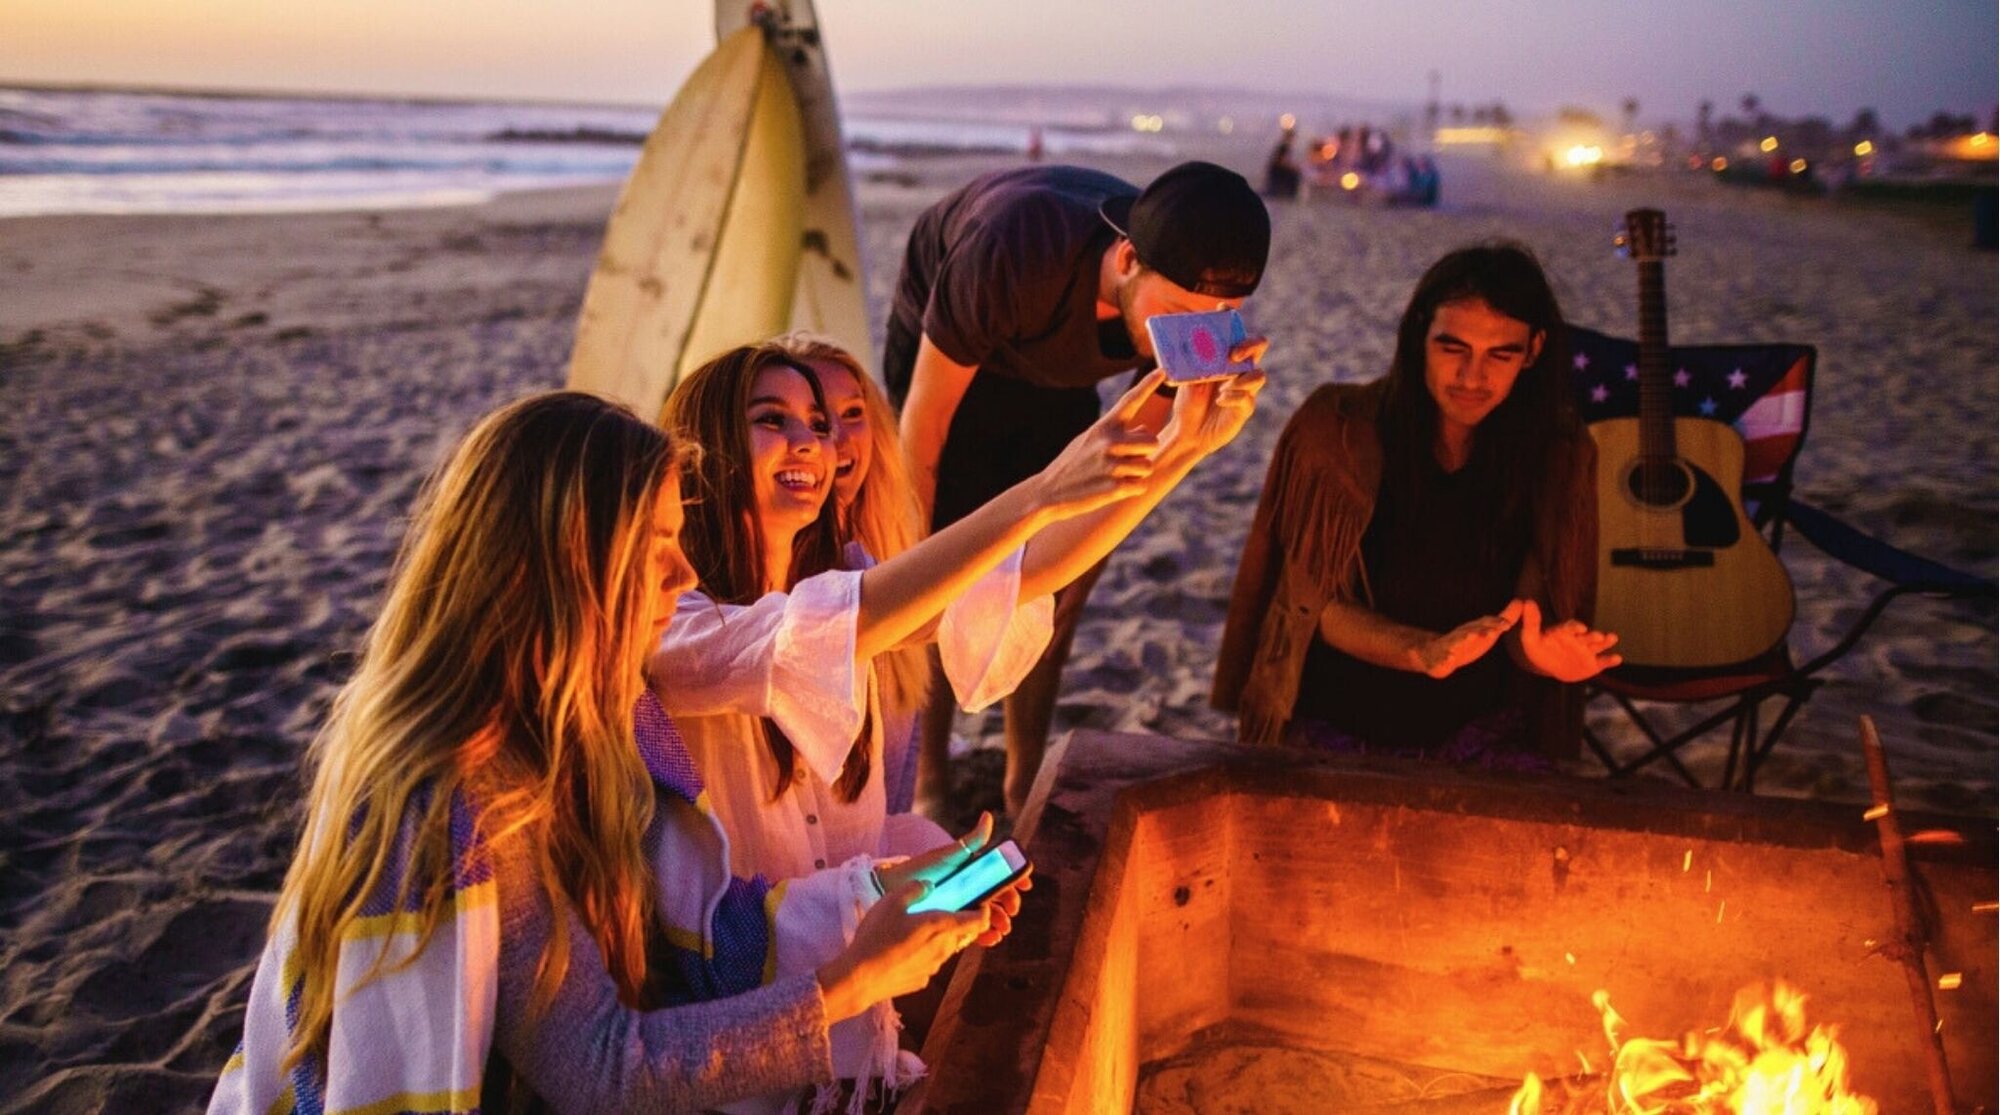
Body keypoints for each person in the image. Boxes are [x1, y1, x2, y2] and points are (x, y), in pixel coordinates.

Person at [210, 392, 994, 1115]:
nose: (684, 573)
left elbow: (704, 923)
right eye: (655, 544)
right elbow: (599, 1064)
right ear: (565, 562)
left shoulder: (607, 721)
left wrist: (886, 889)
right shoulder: (453, 794)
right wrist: (852, 982)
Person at [647, 340, 1264, 880]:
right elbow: (825, 627)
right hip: (756, 978)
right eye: (772, 420)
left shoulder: (851, 579)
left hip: (861, 939)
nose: (814, 443)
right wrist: (1044, 490)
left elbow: (1027, 574)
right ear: (709, 446)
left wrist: (1181, 448)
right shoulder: (679, 626)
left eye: (818, 424)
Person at [886, 159, 1271, 815]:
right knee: (948, 569)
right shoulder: (1012, 248)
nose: (1188, 336)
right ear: (1126, 259)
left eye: (1219, 316)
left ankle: (1022, 774)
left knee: (1058, 585)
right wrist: (916, 553)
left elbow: (1132, 464)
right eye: (1177, 312)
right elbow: (925, 426)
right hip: (957, 367)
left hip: (1059, 383)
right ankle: (929, 779)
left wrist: (1191, 422)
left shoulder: (1186, 309)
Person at [1214, 244, 1620, 766]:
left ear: (1534, 351)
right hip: (1336, 715)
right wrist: (1424, 651)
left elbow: (1525, 616)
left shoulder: (1557, 454)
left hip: (1481, 728)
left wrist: (1541, 656)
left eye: (1501, 354)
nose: (1473, 377)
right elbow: (1314, 603)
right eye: (1453, 348)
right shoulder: (1338, 428)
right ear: (1418, 338)